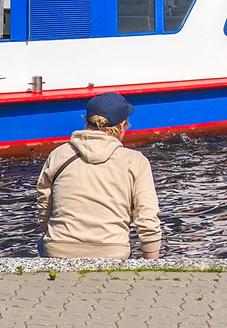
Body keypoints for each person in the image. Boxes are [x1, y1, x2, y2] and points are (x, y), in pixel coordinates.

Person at [36, 93, 161, 259]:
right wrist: (152, 264)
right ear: (123, 125)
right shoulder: (135, 161)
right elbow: (146, 216)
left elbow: (45, 204)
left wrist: (54, 233)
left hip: (59, 248)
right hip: (112, 251)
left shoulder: (59, 154)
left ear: (86, 122)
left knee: (41, 244)